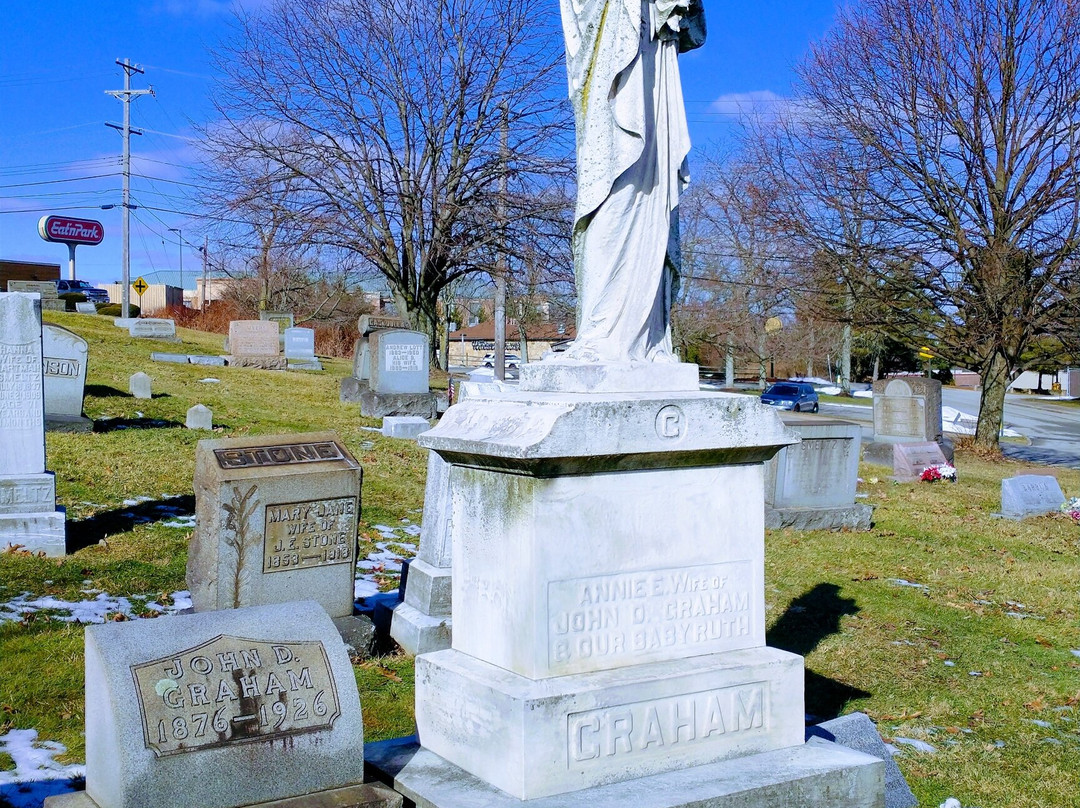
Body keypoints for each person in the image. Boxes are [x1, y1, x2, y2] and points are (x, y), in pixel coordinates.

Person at [559, 0, 705, 363]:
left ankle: (650, 338)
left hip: (655, 63)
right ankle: (599, 331)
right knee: (614, 195)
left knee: (652, 196)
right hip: (618, 71)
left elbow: (695, 32)